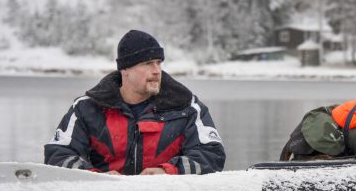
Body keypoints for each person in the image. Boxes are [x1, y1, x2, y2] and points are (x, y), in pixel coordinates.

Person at [44, 30, 226, 175]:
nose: (157, 71)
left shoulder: (188, 107)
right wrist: (95, 176)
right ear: (125, 69)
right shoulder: (86, 108)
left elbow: (211, 155)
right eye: (147, 63)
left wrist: (167, 171)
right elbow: (58, 155)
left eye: (158, 63)